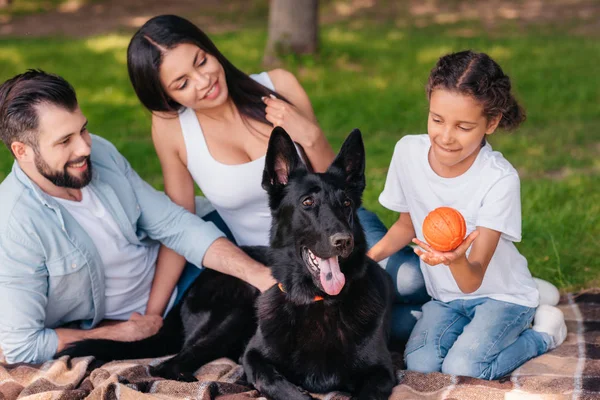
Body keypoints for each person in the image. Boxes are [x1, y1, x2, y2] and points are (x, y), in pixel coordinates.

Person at [125, 14, 431, 337]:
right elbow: (178, 223)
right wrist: (152, 314)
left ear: (209, 49)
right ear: (166, 97)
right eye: (182, 83)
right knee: (384, 321)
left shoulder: (279, 85)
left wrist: (309, 135)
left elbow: (336, 182)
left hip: (338, 226)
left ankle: (454, 306)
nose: (203, 82)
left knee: (411, 279)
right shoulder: (173, 130)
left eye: (201, 62)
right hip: (289, 258)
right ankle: (437, 322)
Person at [0, 70, 275, 364]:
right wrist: (118, 333)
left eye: (82, 129)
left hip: (181, 271)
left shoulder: (100, 152)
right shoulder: (14, 225)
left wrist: (257, 275)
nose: (84, 146)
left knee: (290, 273)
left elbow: (173, 225)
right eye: (64, 141)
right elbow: (21, 345)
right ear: (22, 151)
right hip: (160, 313)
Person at [368, 50, 567, 380]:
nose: (445, 137)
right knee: (421, 365)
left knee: (466, 367)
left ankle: (542, 331)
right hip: (446, 297)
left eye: (463, 126)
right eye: (436, 119)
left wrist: (453, 258)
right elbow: (406, 224)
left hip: (498, 294)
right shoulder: (407, 152)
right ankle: (533, 289)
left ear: (491, 122)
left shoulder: (499, 179)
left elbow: (472, 277)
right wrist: (365, 258)